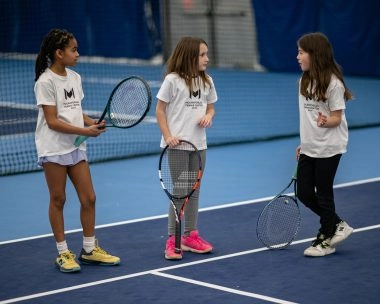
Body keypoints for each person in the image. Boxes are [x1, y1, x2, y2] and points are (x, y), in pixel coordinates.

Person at [34, 28, 120, 272]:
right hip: (53, 148)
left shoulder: (75, 78)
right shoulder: (45, 82)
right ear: (59, 53)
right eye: (73, 50)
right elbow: (52, 121)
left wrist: (90, 121)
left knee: (89, 197)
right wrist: (86, 132)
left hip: (75, 147)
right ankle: (63, 253)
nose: (78, 54)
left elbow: (74, 111)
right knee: (58, 199)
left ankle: (90, 249)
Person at [156, 37, 217, 260]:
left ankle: (191, 236)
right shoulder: (172, 80)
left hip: (199, 146)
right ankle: (173, 240)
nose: (207, 59)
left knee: (195, 191)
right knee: (180, 193)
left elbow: (211, 107)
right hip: (178, 146)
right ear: (190, 56)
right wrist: (168, 136)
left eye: (206, 54)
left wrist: (209, 116)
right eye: (202, 55)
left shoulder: (207, 81)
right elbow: (160, 110)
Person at [295, 32, 354, 257]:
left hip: (330, 146)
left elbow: (336, 118)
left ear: (314, 54)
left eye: (301, 52)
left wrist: (325, 121)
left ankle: (325, 237)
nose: (298, 57)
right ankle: (337, 224)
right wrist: (304, 143)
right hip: (310, 146)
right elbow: (308, 117)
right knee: (304, 192)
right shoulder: (304, 80)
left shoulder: (333, 83)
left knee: (324, 194)